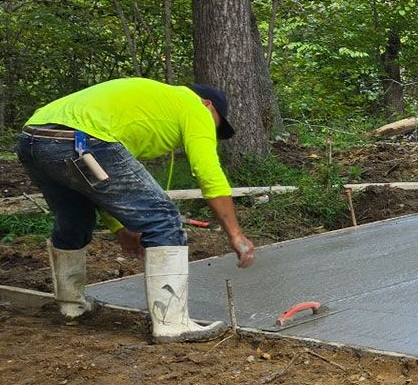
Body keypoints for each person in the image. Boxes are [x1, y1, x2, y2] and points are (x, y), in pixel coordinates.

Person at [17, 78, 257, 342]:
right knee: (162, 218)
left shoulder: (150, 104)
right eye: (216, 125)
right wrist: (235, 234)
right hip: (82, 139)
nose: (212, 131)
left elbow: (98, 184)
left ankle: (71, 307)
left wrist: (119, 227)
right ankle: (172, 324)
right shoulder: (195, 106)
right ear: (208, 104)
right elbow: (208, 172)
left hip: (34, 139)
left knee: (75, 218)